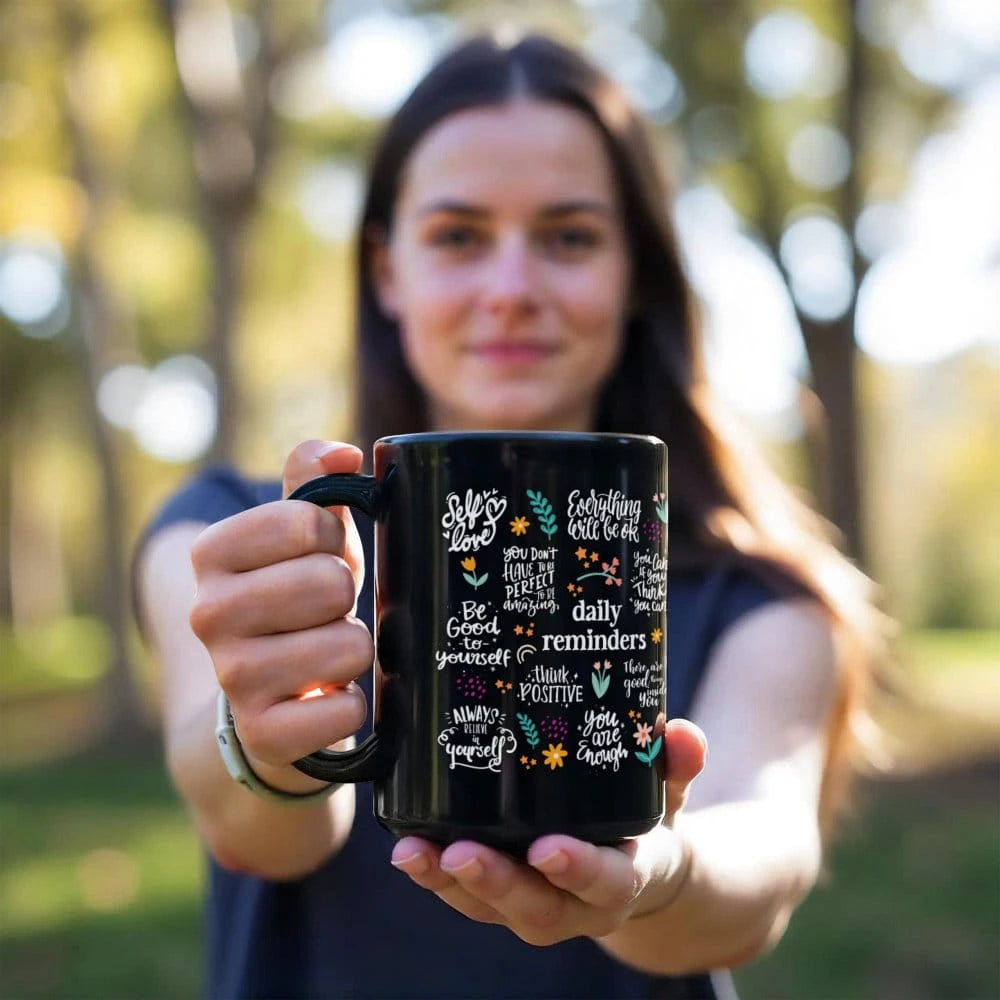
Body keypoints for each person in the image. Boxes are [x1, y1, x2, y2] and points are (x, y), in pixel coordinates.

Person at [137, 30, 885, 1000]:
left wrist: (659, 876)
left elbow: (761, 859)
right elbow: (256, 833)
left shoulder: (762, 603)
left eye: (569, 237)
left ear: (635, 273)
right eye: (458, 236)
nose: (512, 290)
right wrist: (266, 739)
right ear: (388, 271)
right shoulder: (236, 543)